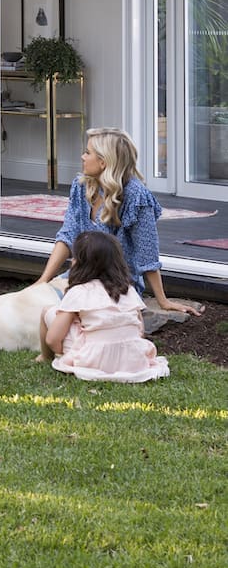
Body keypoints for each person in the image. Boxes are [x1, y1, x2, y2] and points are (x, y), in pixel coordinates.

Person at [31, 126, 203, 317]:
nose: (83, 157)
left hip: (115, 285)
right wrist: (43, 280)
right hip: (80, 277)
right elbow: (67, 235)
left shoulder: (137, 197)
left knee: (61, 312)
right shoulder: (81, 185)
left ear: (103, 162)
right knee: (37, 303)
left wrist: (162, 301)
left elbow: (148, 255)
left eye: (88, 153)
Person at [39, 229, 169, 382]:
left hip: (92, 360)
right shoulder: (128, 290)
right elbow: (140, 331)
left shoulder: (79, 292)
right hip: (133, 360)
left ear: (79, 263)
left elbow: (52, 339)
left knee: (49, 311)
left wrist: (64, 354)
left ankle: (45, 356)